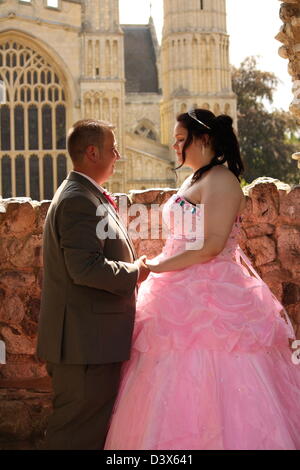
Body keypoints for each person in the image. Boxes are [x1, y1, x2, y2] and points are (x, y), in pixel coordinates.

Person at [104, 109, 300, 450]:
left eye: (182, 139)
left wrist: (157, 267)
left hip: (215, 292)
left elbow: (211, 247)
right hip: (177, 288)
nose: (175, 146)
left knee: (215, 365)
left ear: (205, 139)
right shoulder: (195, 179)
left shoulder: (222, 180)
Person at [37, 119, 149, 450]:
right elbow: (84, 268)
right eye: (113, 148)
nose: (117, 155)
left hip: (89, 342)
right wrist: (135, 272)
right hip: (83, 346)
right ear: (92, 152)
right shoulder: (77, 200)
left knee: (86, 430)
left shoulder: (86, 194)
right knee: (75, 434)